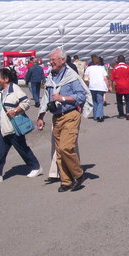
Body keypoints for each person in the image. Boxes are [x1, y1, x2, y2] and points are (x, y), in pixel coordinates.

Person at [36, 48, 91, 192]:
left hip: (70, 115)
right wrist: (41, 116)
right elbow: (46, 97)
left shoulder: (71, 76)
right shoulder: (51, 77)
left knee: (66, 147)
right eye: (50, 59)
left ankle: (78, 175)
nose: (51, 62)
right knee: (59, 151)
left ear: (62, 60)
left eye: (53, 59)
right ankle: (66, 181)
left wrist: (63, 98)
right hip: (57, 117)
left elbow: (81, 96)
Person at [0, 68, 42, 183]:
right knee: (0, 152)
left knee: (22, 148)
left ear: (6, 79)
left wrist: (16, 111)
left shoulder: (14, 89)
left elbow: (26, 102)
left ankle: (36, 167)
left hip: (13, 127)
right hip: (2, 127)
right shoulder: (1, 90)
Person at [84, 55, 111, 122]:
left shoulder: (89, 68)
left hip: (92, 86)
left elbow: (86, 78)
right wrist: (108, 86)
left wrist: (88, 83)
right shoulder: (102, 68)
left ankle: (95, 116)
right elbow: (105, 78)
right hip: (100, 87)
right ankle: (99, 115)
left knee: (94, 101)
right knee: (100, 101)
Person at [111, 55, 129, 120]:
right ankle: (128, 112)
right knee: (128, 100)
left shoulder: (115, 68)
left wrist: (111, 86)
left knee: (119, 101)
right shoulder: (128, 67)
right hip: (127, 86)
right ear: (124, 60)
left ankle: (121, 114)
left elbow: (112, 79)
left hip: (118, 87)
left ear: (118, 60)